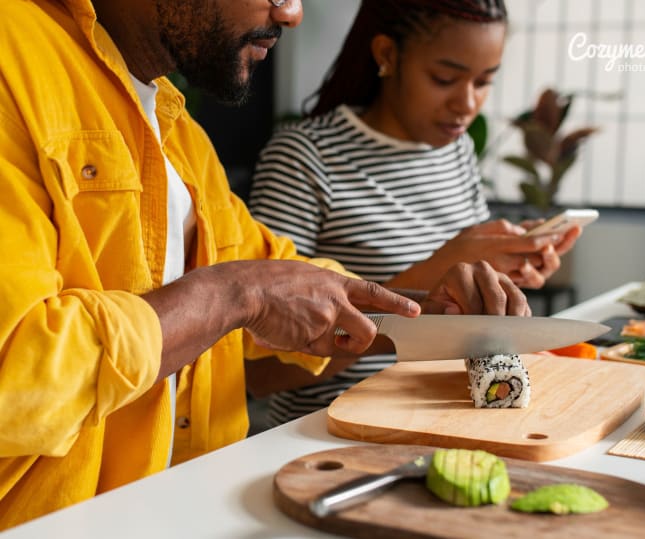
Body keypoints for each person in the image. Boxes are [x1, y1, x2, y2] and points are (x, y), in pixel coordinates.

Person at [0, 0, 531, 529]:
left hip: (190, 512)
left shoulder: (178, 133)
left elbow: (282, 280)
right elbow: (16, 370)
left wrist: (434, 310)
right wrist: (234, 295)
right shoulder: (12, 55)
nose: (291, 14)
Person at [248, 0, 582, 427]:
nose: (466, 103)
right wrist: (429, 276)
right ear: (387, 55)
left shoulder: (457, 151)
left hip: (452, 417)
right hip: (332, 432)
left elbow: (460, 306)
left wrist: (504, 268)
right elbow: (261, 371)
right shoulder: (305, 158)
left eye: (484, 82)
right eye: (444, 78)